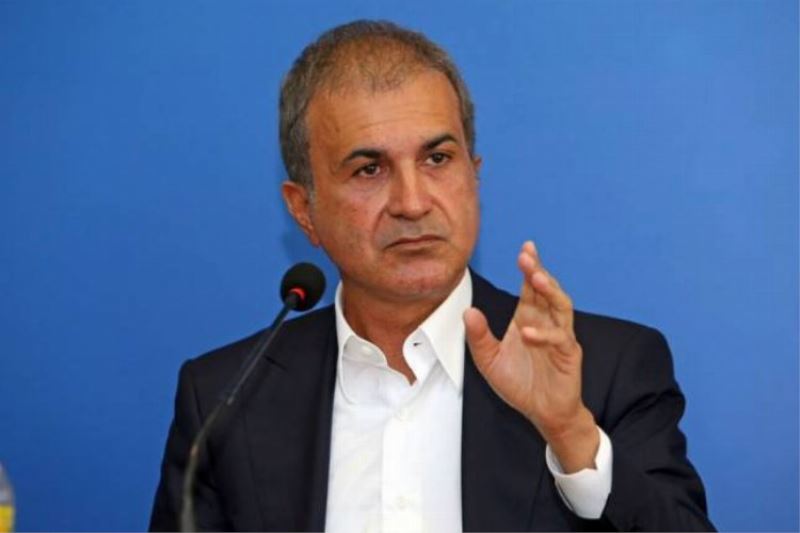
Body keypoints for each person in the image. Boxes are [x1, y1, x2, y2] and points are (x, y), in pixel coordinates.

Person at [149, 20, 714, 532]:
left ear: (474, 174)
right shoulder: (226, 399)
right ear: (304, 211)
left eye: (437, 159)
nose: (413, 202)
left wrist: (571, 434)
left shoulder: (606, 370)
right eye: (369, 169)